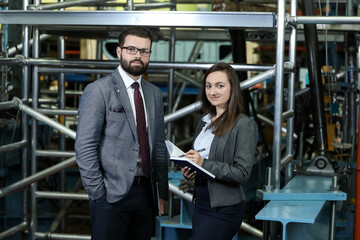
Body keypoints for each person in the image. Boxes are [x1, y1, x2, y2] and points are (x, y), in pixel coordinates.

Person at [75, 26, 168, 240]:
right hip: (111, 194)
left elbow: (159, 146)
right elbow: (84, 146)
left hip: (145, 193)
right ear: (119, 52)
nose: (138, 55)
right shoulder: (99, 90)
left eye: (144, 51)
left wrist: (161, 192)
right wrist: (99, 194)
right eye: (132, 49)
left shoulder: (154, 94)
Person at [181, 62, 258, 240]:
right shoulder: (205, 120)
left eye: (220, 86)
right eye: (208, 86)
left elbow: (242, 173)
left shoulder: (244, 125)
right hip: (201, 203)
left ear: (233, 88)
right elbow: (202, 159)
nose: (212, 91)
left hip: (224, 209)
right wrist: (191, 170)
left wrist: (203, 163)